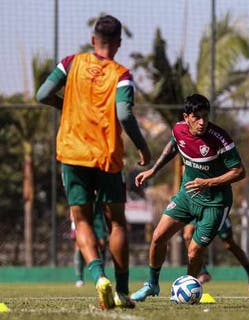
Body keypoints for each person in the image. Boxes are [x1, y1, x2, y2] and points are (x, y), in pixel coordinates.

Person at [36, 15, 151, 309]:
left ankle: (99, 277)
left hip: (72, 153)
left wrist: (66, 105)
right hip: (106, 156)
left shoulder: (71, 63)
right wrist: (142, 147)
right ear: (118, 44)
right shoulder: (121, 75)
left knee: (82, 219)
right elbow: (124, 114)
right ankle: (123, 291)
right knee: (117, 223)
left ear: (93, 40)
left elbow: (42, 94)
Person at [130, 93, 246, 302]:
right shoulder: (178, 129)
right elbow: (174, 146)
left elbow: (239, 171)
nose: (202, 122)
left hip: (215, 204)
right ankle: (152, 284)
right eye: (196, 117)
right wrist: (153, 171)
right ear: (186, 117)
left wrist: (207, 182)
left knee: (194, 252)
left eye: (205, 116)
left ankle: (188, 291)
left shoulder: (220, 138)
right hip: (187, 196)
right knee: (158, 237)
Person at [183, 217, 249, 291]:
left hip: (217, 211)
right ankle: (203, 273)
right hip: (198, 209)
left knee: (229, 245)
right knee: (187, 235)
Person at [71, 203, 108, 288]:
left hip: (98, 215)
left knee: (102, 243)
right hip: (81, 211)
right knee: (79, 244)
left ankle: (101, 275)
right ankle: (79, 278)